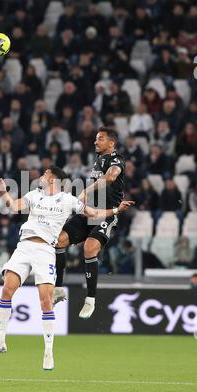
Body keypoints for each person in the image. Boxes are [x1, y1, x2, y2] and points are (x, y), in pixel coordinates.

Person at [0, 166, 133, 370]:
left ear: (53, 179)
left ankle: (48, 353)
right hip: (24, 246)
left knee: (46, 301)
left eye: (45, 174)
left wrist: (116, 210)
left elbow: (93, 212)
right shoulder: (33, 195)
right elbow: (13, 207)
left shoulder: (67, 200)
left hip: (45, 250)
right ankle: (0, 341)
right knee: (6, 290)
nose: (41, 176)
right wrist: (3, 190)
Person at [54, 127, 126, 320]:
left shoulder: (116, 160)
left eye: (100, 139)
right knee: (59, 240)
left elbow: (111, 177)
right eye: (95, 139)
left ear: (111, 143)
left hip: (106, 215)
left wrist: (86, 190)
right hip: (88, 213)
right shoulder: (98, 161)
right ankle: (59, 289)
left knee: (89, 247)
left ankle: (90, 299)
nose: (96, 142)